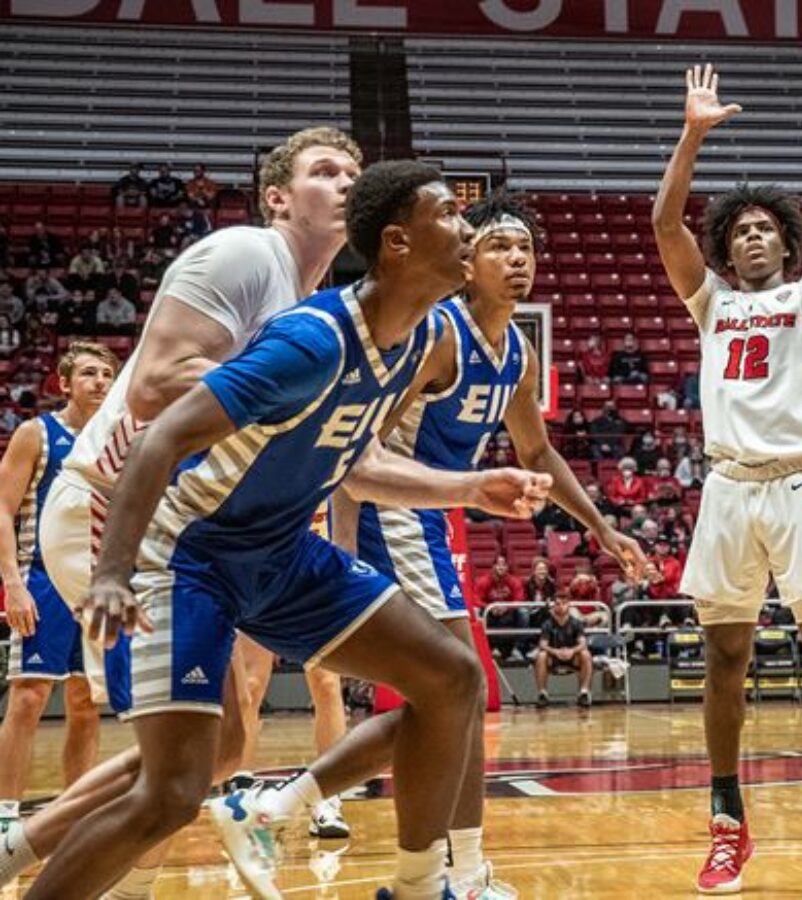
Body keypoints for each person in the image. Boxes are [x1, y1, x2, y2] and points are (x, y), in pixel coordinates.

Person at [28, 162, 555, 900]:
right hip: (192, 554)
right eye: (450, 216)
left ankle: (417, 887)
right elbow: (160, 437)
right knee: (173, 790)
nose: (468, 229)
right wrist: (113, 572)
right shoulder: (310, 340)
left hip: (282, 550)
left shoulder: (422, 336)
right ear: (398, 242)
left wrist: (471, 487)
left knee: (452, 676)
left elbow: (356, 460)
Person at [1, 127, 365, 899]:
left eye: (354, 173)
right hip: (112, 507)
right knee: (178, 766)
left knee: (225, 743)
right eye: (324, 171)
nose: (345, 183)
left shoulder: (310, 303)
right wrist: (293, 403)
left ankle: (17, 846)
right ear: (276, 196)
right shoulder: (244, 254)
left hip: (169, 528)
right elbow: (158, 383)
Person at [278, 191, 643, 898]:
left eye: (525, 249)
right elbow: (361, 442)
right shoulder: (438, 334)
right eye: (500, 248)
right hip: (397, 514)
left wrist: (602, 527)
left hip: (439, 522)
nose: (517, 260)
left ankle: (298, 807)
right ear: (467, 264)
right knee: (458, 692)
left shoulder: (519, 352)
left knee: (449, 702)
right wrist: (346, 547)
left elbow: (536, 450)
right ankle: (453, 870)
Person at [652, 62, 802, 897]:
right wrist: (692, 134)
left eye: (766, 229)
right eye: (741, 230)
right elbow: (662, 224)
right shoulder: (712, 303)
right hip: (727, 488)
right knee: (724, 658)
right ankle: (727, 822)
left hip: (800, 484)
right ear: (727, 246)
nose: (753, 237)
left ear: (787, 243)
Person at [0, 345, 121, 829]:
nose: (99, 381)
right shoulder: (37, 433)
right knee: (29, 696)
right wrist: (12, 583)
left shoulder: (119, 439)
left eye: (108, 374)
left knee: (86, 702)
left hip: (97, 585)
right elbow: (4, 509)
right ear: (63, 384)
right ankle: (7, 813)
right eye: (88, 373)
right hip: (42, 578)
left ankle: (74, 813)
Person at [534, 594, 594, 708]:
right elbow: (542, 644)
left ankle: (584, 693)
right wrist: (555, 651)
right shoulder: (547, 624)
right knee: (541, 655)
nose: (560, 606)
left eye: (564, 604)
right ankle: (542, 694)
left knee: (585, 654)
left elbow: (583, 643)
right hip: (554, 657)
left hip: (572, 657)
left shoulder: (576, 623)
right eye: (557, 604)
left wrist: (572, 651)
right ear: (553, 606)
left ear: (569, 606)